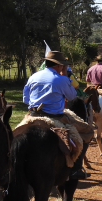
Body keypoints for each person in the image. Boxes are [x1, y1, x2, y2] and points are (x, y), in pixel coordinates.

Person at [23, 50, 90, 180]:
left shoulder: (33, 76)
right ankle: (75, 169)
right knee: (86, 132)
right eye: (63, 65)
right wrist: (65, 76)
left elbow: (25, 99)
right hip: (55, 117)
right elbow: (71, 96)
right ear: (59, 65)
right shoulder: (61, 79)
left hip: (32, 116)